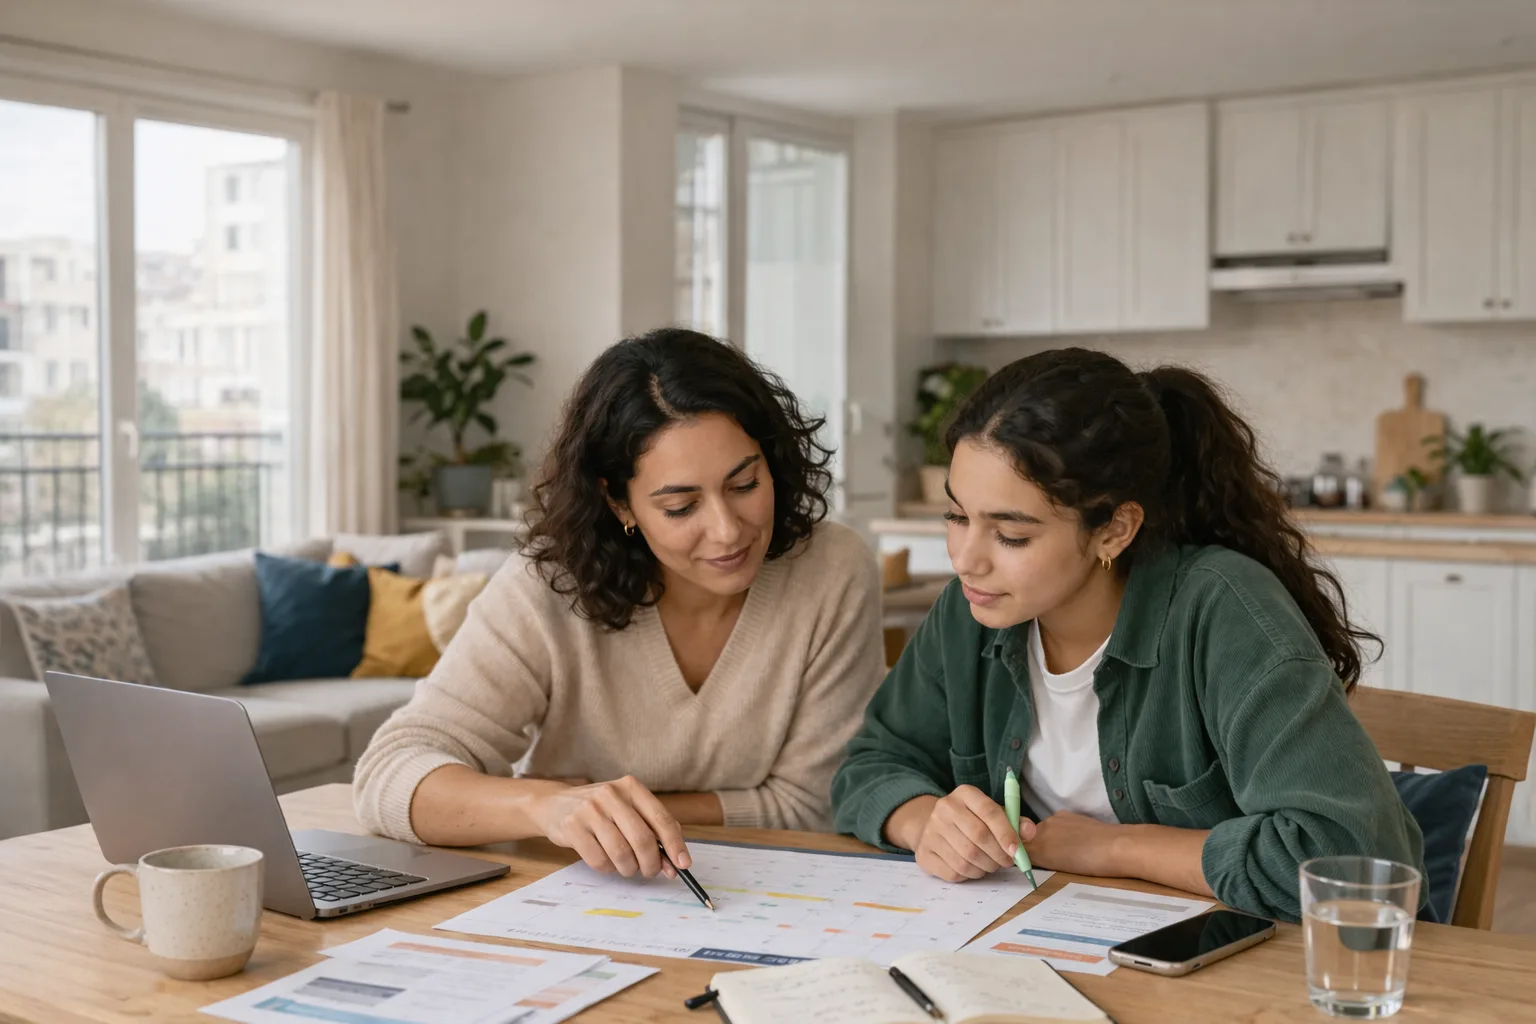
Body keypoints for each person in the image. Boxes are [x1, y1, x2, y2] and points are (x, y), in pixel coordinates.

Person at [831, 347, 1425, 922]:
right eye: (957, 516)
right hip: (1041, 945)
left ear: (1115, 529)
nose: (966, 559)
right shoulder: (970, 612)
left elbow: (1357, 865)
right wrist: (924, 820)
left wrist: (1111, 849)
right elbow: (871, 765)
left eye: (1011, 535)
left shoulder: (1222, 610)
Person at [357, 328, 885, 882]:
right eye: (681, 507)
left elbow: (813, 805)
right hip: (568, 891)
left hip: (768, 890)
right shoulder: (546, 587)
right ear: (618, 502)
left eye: (745, 484)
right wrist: (544, 808)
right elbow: (388, 776)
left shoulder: (831, 569)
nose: (728, 531)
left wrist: (600, 808)